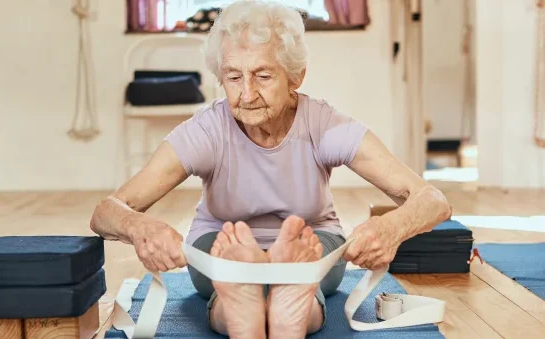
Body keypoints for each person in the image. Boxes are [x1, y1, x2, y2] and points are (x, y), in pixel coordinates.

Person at [89, 1, 451, 338]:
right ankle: (275, 302)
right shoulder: (207, 130)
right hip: (222, 246)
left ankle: (263, 301)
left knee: (298, 266)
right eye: (233, 77)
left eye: (262, 76)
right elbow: (107, 211)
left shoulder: (324, 125)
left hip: (310, 242)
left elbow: (432, 200)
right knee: (236, 269)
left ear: (295, 77)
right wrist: (140, 227)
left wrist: (391, 227)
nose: (246, 94)